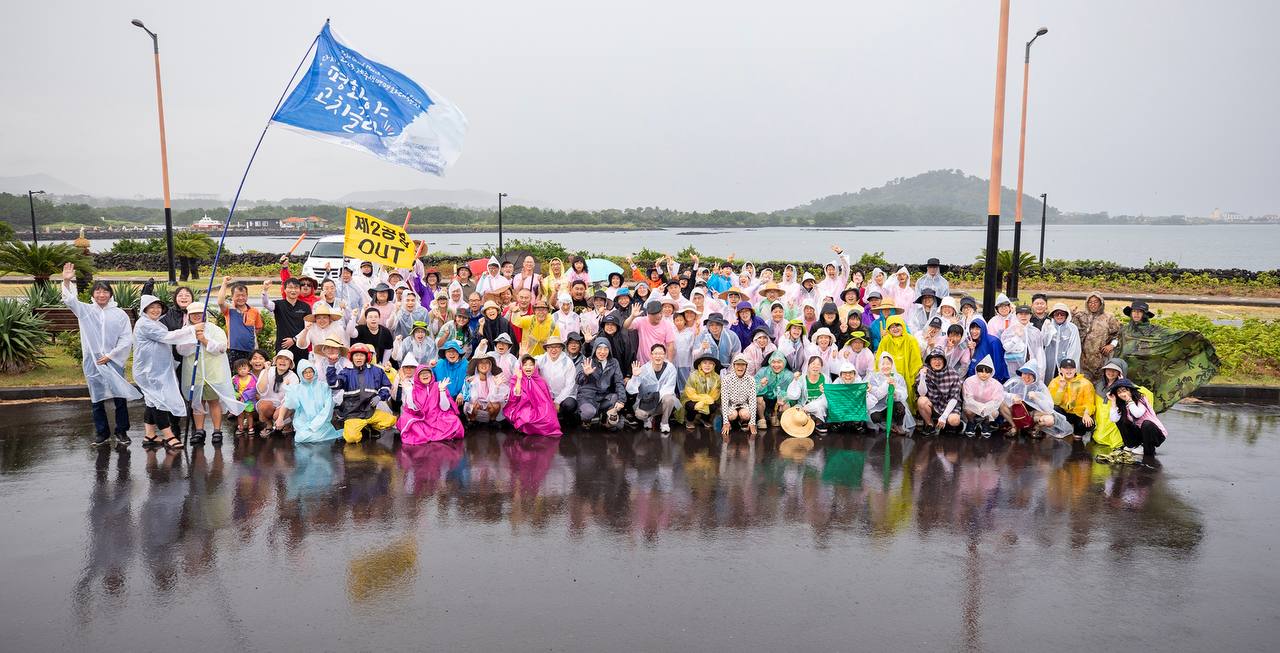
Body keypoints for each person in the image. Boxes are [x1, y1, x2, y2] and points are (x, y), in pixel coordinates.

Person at [61, 263, 141, 446]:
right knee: (96, 398)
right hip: (94, 361)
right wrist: (66, 281)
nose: (101, 295)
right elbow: (70, 301)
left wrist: (111, 356)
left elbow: (126, 338)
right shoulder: (85, 311)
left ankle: (122, 431)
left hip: (113, 361)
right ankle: (101, 433)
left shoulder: (119, 314)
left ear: (110, 294)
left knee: (119, 396)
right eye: (98, 291)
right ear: (93, 294)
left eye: (105, 291)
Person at [1116, 300, 1219, 412]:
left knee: (1143, 403)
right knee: (1123, 403)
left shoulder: (1155, 330)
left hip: (1147, 374)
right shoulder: (1125, 330)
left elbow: (1174, 336)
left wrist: (1192, 336)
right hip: (1127, 373)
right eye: (1134, 311)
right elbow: (1117, 345)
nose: (1136, 314)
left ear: (1144, 314)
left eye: (1139, 312)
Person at [177, 302, 246, 446]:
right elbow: (181, 350)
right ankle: (199, 431)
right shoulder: (185, 331)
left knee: (214, 401)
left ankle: (217, 431)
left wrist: (204, 340)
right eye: (193, 314)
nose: (196, 316)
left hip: (213, 373)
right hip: (194, 374)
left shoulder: (215, 330)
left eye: (199, 313)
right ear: (188, 316)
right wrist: (193, 338)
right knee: (197, 403)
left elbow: (221, 348)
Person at [133, 294, 191, 451]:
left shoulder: (155, 323)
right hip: (149, 371)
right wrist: (192, 330)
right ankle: (169, 435)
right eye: (151, 307)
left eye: (158, 307)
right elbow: (167, 337)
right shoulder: (145, 324)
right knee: (159, 402)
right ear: (145, 309)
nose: (155, 310)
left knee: (152, 401)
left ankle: (150, 435)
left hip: (157, 370)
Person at [327, 343, 397, 443]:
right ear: (352, 357)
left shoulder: (377, 371)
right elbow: (334, 384)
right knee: (351, 438)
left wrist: (379, 396)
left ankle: (370, 426)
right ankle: (361, 428)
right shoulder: (346, 372)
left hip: (370, 412)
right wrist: (331, 365)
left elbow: (386, 386)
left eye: (361, 355)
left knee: (391, 421)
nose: (359, 358)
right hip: (353, 413)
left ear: (367, 357)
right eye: (356, 355)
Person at [1000, 360, 1072, 439]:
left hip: (1033, 416)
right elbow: (1000, 392)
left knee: (1049, 420)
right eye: (1024, 373)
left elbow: (1049, 408)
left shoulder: (1040, 386)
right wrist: (1012, 396)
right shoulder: (1014, 382)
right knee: (1001, 404)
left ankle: (1035, 428)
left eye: (1030, 374)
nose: (1027, 377)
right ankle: (1014, 427)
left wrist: (1036, 398)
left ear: (1035, 376)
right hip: (1016, 414)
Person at [398, 365, 465, 444]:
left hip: (437, 418)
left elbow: (445, 408)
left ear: (431, 374)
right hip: (422, 419)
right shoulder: (414, 389)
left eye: (427, 372)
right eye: (422, 373)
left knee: (454, 420)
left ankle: (428, 434)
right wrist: (409, 392)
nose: (425, 375)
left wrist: (442, 391)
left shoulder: (439, 385)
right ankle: (434, 435)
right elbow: (412, 409)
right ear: (417, 376)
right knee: (404, 418)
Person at [282, 360, 343, 443]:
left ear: (314, 372)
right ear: (301, 374)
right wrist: (288, 389)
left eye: (310, 371)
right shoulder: (298, 388)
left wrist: (315, 425)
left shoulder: (324, 386)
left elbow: (328, 407)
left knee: (314, 436)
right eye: (305, 372)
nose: (308, 375)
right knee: (300, 438)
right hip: (304, 423)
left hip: (322, 423)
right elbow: (293, 405)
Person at [1108, 378, 1168, 459]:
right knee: (1121, 420)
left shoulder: (1141, 400)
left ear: (1131, 390)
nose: (1122, 394)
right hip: (1141, 433)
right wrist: (1113, 402)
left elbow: (1137, 414)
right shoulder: (1123, 405)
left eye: (1124, 390)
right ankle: (1132, 445)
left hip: (1155, 434)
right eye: (1119, 392)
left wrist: (1129, 400)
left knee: (1146, 424)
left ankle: (1148, 452)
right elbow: (1114, 419)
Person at [626, 343, 679, 433]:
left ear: (665, 355)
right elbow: (630, 390)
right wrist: (634, 377)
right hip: (646, 402)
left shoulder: (670, 368)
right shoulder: (643, 369)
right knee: (639, 415)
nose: (658, 356)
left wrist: (655, 397)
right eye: (655, 353)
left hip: (662, 401)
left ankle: (664, 423)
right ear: (651, 355)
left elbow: (669, 388)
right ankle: (648, 419)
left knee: (670, 399)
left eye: (661, 353)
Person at [505, 355, 563, 436]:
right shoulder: (516, 378)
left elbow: (546, 399)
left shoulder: (540, 381)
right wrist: (519, 379)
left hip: (539, 406)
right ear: (521, 367)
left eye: (531, 365)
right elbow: (516, 396)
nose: (528, 367)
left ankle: (535, 430)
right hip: (522, 406)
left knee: (547, 417)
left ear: (535, 367)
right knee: (526, 416)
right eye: (525, 365)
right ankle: (524, 428)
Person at [576, 338, 626, 429]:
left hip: (603, 396)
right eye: (599, 348)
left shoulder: (614, 362)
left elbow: (619, 382)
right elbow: (578, 380)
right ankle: (586, 420)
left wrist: (621, 400)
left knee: (615, 398)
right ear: (595, 349)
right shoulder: (587, 361)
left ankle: (604, 416)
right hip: (587, 397)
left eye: (606, 349)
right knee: (589, 412)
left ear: (609, 350)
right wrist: (585, 374)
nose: (602, 352)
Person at [875, 315, 923, 406]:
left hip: (907, 374)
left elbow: (916, 360)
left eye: (897, 325)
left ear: (903, 325)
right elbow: (879, 360)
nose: (895, 329)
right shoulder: (885, 341)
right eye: (892, 327)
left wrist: (912, 376)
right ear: (888, 329)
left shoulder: (911, 340)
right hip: (888, 376)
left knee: (906, 398)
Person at [1072, 292, 1121, 381]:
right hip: (1083, 361)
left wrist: (1112, 345)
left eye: (1095, 302)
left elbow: (1118, 334)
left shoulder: (1108, 318)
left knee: (1101, 384)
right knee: (1084, 385)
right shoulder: (1081, 316)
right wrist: (1071, 313)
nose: (1093, 305)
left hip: (1101, 360)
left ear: (1101, 303)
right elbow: (1068, 326)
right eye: (1090, 302)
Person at [261, 277, 311, 362]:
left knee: (301, 369)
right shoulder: (278, 304)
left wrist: (294, 339)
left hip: (300, 346)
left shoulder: (305, 307)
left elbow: (308, 327)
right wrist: (265, 290)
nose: (293, 290)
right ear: (284, 290)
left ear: (299, 290)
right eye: (290, 287)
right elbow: (266, 304)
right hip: (283, 346)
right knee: (282, 368)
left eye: (296, 288)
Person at [916, 348, 963, 435]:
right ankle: (930, 424)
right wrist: (922, 377)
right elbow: (922, 393)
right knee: (921, 400)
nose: (937, 362)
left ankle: (947, 425)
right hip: (932, 404)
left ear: (944, 361)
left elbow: (954, 398)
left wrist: (944, 416)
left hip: (948, 405)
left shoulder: (953, 374)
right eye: (934, 359)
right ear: (930, 361)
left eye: (940, 359)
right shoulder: (925, 371)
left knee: (954, 421)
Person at [217, 277, 264, 364]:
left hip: (251, 350)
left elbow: (258, 328)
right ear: (232, 297)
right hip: (233, 349)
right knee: (234, 371)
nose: (241, 298)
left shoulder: (254, 311)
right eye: (237, 295)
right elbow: (220, 302)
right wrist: (224, 283)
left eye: (243, 295)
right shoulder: (229, 309)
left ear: (247, 296)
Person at [1047, 358, 1097, 437]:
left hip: (1078, 413)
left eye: (1071, 368)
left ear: (1075, 370)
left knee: (1088, 424)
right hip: (1064, 413)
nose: (1069, 371)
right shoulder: (1055, 382)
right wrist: (1061, 388)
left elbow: (1089, 402)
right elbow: (1054, 402)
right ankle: (1061, 429)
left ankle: (1078, 432)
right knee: (1054, 409)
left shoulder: (1085, 383)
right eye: (1065, 368)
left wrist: (1086, 414)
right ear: (1060, 370)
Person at [866, 352, 913, 434]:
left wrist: (895, 392)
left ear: (892, 364)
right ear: (879, 365)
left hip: (894, 405)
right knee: (875, 417)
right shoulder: (874, 377)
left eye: (888, 364)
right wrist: (885, 385)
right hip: (879, 406)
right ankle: (887, 425)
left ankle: (898, 425)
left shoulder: (898, 377)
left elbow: (904, 394)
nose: (885, 366)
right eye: (883, 364)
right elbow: (876, 395)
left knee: (900, 408)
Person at [254, 351, 298, 438]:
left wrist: (280, 417)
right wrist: (266, 370)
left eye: (287, 359)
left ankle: (288, 423)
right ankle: (269, 425)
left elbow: (290, 399)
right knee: (263, 406)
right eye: (280, 358)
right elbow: (261, 390)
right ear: (276, 361)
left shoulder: (293, 377)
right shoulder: (267, 370)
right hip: (269, 403)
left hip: (285, 405)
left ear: (290, 363)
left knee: (277, 416)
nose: (283, 361)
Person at [536, 335, 579, 424]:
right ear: (546, 349)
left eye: (556, 347)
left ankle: (567, 419)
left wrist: (557, 401)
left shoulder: (567, 362)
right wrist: (522, 356)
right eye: (550, 347)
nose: (553, 350)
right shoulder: (541, 359)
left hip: (563, 396)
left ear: (561, 348)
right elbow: (526, 363)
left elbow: (570, 385)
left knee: (569, 405)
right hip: (547, 396)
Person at [962, 355, 1005, 437]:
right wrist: (980, 406)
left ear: (991, 372)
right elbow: (968, 398)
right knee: (968, 409)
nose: (984, 374)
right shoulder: (969, 381)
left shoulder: (996, 384)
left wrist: (985, 406)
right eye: (981, 371)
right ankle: (971, 423)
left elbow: (997, 400)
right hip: (973, 405)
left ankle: (986, 424)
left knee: (994, 412)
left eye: (987, 372)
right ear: (977, 371)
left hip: (988, 407)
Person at [786, 355, 830, 435]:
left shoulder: (826, 379)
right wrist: (795, 380)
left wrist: (825, 391)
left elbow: (830, 397)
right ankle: (812, 421)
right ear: (808, 366)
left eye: (818, 364)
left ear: (821, 367)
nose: (815, 366)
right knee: (798, 415)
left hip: (820, 408)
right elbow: (793, 395)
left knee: (819, 405)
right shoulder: (802, 379)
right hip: (804, 406)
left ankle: (818, 422)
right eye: (813, 364)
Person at [463, 352, 509, 425]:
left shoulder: (493, 379)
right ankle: (472, 421)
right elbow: (469, 397)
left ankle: (492, 420)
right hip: (476, 404)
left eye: (486, 363)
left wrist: (497, 386)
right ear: (477, 366)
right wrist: (471, 384)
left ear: (490, 366)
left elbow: (496, 397)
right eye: (481, 363)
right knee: (472, 405)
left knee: (496, 405)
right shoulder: (472, 380)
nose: (484, 365)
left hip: (488, 404)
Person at [719, 354, 758, 438]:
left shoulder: (751, 380)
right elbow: (724, 401)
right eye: (738, 364)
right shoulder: (727, 379)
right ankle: (732, 422)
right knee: (732, 415)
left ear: (746, 366)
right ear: (733, 365)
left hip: (744, 405)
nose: (740, 367)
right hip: (731, 405)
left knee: (745, 415)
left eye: (743, 364)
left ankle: (742, 421)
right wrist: (725, 422)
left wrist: (752, 422)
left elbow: (752, 401)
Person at [1041, 303, 1082, 378]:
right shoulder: (1048, 326)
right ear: (1053, 315)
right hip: (1049, 363)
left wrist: (1068, 365)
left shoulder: (1072, 328)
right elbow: (1044, 342)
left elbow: (1075, 348)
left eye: (1062, 314)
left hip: (1066, 364)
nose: (1059, 316)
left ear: (1066, 315)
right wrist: (1047, 330)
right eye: (1057, 314)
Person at [683, 354, 722, 429]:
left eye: (710, 363)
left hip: (709, 400)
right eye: (705, 363)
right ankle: (690, 420)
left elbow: (715, 395)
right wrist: (702, 400)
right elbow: (690, 394)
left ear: (713, 365)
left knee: (713, 405)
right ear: (700, 365)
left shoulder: (717, 378)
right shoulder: (693, 376)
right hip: (693, 399)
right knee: (690, 405)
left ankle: (704, 419)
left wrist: (704, 401)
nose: (707, 365)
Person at [966, 317, 1009, 382]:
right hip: (974, 381)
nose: (974, 331)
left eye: (977, 329)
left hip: (990, 381)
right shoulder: (970, 341)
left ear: (983, 329)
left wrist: (995, 380)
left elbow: (999, 363)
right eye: (972, 328)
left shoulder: (993, 341)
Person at [755, 351, 790, 428]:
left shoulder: (789, 375)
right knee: (759, 398)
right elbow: (752, 389)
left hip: (778, 402)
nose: (776, 365)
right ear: (769, 362)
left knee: (786, 404)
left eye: (779, 362)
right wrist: (761, 385)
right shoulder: (762, 371)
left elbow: (793, 393)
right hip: (764, 400)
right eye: (773, 362)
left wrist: (784, 398)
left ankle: (776, 416)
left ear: (784, 363)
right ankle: (762, 419)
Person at [232, 358, 258, 437]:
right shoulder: (235, 379)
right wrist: (236, 395)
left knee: (249, 414)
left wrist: (244, 396)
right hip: (239, 400)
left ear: (249, 368)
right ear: (237, 370)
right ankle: (241, 427)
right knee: (240, 414)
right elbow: (232, 389)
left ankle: (250, 427)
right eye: (239, 369)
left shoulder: (252, 378)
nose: (242, 371)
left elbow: (253, 390)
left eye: (244, 368)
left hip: (249, 400)